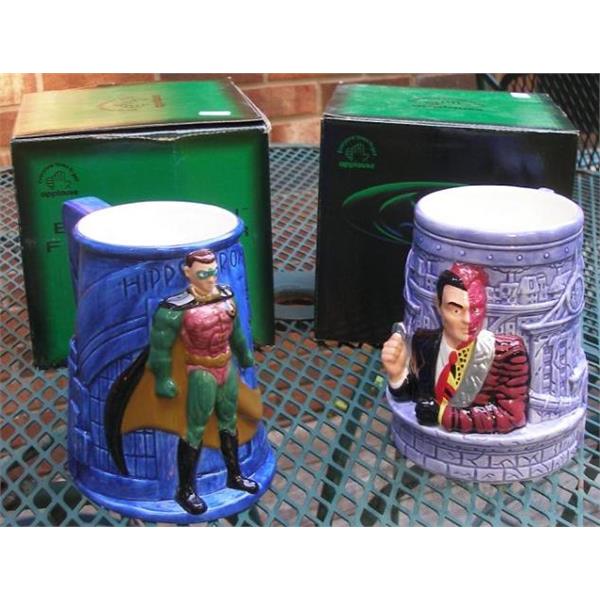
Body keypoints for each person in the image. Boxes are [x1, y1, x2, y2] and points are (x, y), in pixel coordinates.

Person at [106, 248, 259, 515]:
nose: (210, 278)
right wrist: (163, 378)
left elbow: (235, 333)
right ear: (187, 273)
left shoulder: (226, 297)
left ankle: (234, 475)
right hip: (200, 369)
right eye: (203, 274)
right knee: (195, 428)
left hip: (225, 365)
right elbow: (160, 347)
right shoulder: (175, 308)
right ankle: (185, 489)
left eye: (213, 272)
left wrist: (245, 355)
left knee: (228, 420)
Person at [381, 263, 529, 434]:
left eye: (476, 308)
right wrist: (398, 375)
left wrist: (443, 415)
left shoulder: (507, 353)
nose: (468, 320)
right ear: (439, 306)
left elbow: (512, 416)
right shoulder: (424, 343)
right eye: (456, 310)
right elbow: (415, 393)